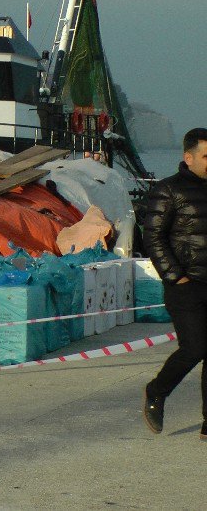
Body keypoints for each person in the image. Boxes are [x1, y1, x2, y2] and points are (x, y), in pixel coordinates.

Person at [142, 127, 207, 440]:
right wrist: (175, 276)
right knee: (196, 347)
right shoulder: (168, 190)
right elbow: (152, 237)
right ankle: (157, 390)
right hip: (185, 285)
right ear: (188, 157)